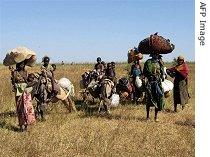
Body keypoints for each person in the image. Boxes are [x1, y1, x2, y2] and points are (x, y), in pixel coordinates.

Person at [10, 61, 36, 131]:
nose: (22, 65)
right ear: (18, 64)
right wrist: (12, 74)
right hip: (19, 91)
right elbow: (14, 82)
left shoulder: (25, 72)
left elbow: (27, 82)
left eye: (23, 64)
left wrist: (30, 82)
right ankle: (21, 126)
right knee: (20, 108)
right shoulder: (15, 72)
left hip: (25, 91)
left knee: (27, 108)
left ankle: (26, 125)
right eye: (20, 64)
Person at [143, 53, 165, 122]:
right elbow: (144, 72)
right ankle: (147, 117)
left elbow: (162, 74)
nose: (156, 55)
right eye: (154, 54)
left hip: (157, 83)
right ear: (152, 55)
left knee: (158, 98)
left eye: (157, 54)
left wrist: (161, 65)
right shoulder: (148, 62)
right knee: (149, 100)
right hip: (150, 83)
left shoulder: (159, 63)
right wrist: (150, 75)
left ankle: (156, 117)